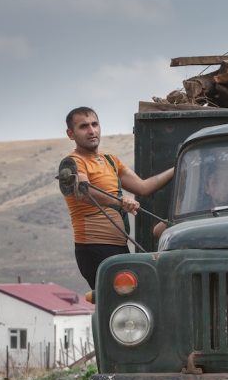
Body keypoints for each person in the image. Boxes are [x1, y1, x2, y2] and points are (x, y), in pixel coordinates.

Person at [61, 106, 174, 289]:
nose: (91, 131)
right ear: (70, 134)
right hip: (94, 247)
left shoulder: (110, 160)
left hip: (117, 246)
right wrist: (120, 201)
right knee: (115, 304)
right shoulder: (73, 162)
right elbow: (84, 191)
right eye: (83, 127)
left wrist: (179, 168)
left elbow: (143, 187)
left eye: (94, 124)